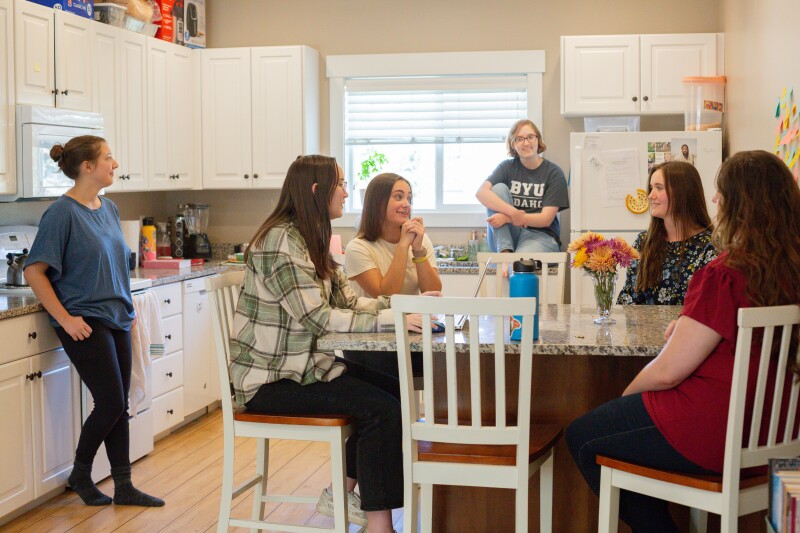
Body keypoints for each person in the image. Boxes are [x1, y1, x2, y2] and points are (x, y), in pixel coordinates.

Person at [566, 150, 800, 532]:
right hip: (778, 433)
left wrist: (626, 397)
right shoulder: (788, 270)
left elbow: (668, 372)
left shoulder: (724, 274)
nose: (714, 200)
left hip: (714, 432)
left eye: (721, 192)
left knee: (583, 435)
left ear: (740, 204)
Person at [230, 155, 429, 533]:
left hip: (304, 369)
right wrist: (393, 317)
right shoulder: (280, 241)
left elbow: (346, 302)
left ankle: (349, 499)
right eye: (340, 184)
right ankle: (380, 524)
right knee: (381, 410)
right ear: (317, 192)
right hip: (270, 383)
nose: (346, 191)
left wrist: (404, 308)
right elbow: (319, 319)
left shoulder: (312, 236)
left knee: (390, 391)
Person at [24, 136, 164, 508]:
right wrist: (66, 319)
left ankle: (123, 486)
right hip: (86, 320)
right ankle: (81, 473)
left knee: (118, 404)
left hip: (118, 315)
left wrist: (130, 311)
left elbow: (115, 265)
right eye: (108, 157)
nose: (114, 163)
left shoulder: (110, 208)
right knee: (111, 401)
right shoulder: (61, 214)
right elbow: (34, 271)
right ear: (88, 166)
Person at [343, 173, 442, 398]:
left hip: (409, 333)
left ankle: (438, 428)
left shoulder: (420, 240)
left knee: (452, 362)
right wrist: (403, 246)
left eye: (409, 197)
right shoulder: (358, 247)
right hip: (371, 341)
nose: (406, 204)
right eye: (398, 197)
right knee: (393, 392)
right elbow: (386, 295)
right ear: (378, 203)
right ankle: (401, 428)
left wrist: (417, 250)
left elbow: (433, 291)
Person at [617, 161, 717, 305]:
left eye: (659, 188)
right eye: (651, 188)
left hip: (687, 328)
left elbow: (709, 309)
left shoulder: (710, 247)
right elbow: (628, 299)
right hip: (643, 328)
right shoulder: (644, 241)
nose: (650, 195)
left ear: (682, 193)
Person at [475, 119, 570, 254]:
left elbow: (546, 219)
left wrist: (508, 218)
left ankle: (508, 262)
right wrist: (513, 213)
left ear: (538, 140)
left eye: (530, 137)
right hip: (510, 235)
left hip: (541, 236)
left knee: (519, 264)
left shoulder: (554, 173)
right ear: (513, 144)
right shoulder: (507, 167)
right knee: (497, 189)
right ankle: (505, 253)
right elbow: (481, 193)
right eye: (519, 139)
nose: (526, 143)